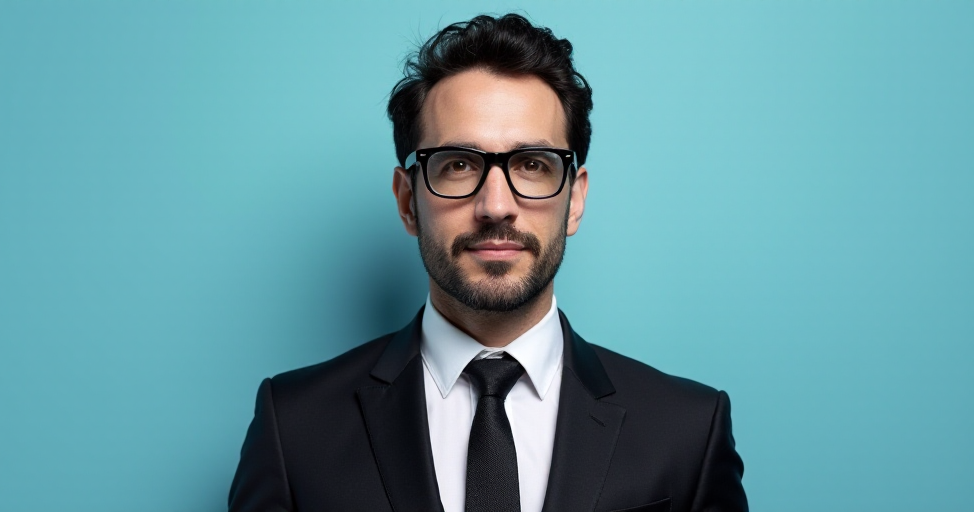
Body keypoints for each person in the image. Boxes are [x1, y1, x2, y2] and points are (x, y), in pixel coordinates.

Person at [229, 13, 747, 512]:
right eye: (457, 164)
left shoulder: (688, 431)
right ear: (408, 201)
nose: (496, 205)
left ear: (575, 200)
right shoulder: (293, 427)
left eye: (533, 164)